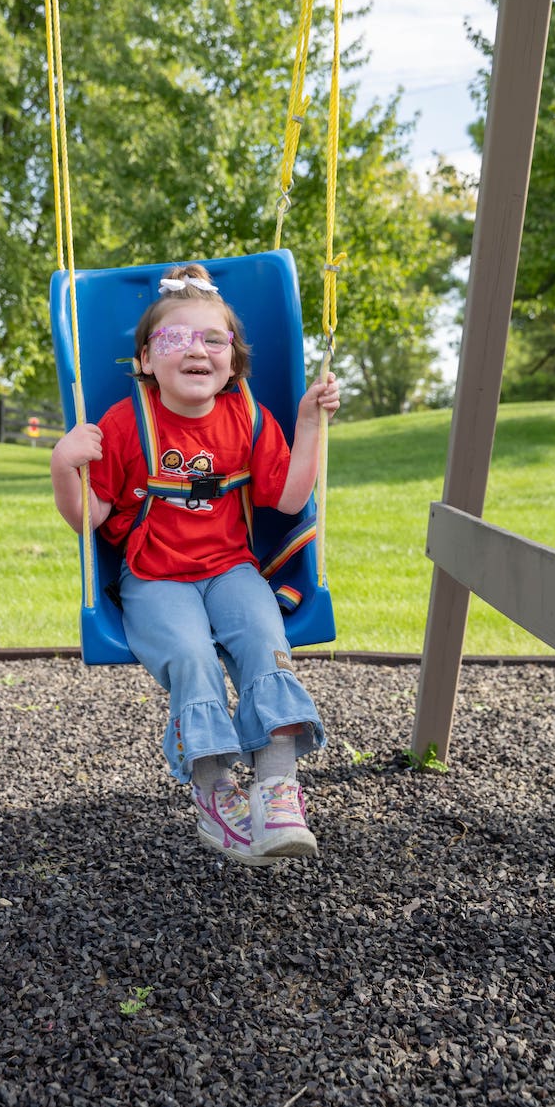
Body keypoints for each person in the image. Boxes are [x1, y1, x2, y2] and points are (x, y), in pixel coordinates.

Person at [51, 263, 340, 865]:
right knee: (191, 656)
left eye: (214, 340)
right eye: (175, 339)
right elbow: (90, 518)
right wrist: (63, 465)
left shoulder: (249, 418)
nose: (197, 350)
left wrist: (310, 423)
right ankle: (216, 796)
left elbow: (288, 498)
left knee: (265, 638)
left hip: (231, 569)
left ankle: (278, 786)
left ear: (233, 362)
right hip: (154, 578)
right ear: (146, 361)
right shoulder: (126, 423)